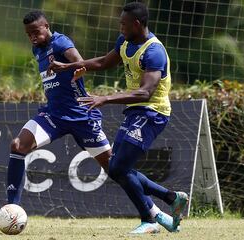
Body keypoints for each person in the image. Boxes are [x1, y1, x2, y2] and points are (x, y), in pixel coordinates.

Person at [49, 2, 189, 234]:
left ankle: (151, 220)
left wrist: (105, 99)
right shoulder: (125, 41)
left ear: (137, 24)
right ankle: (171, 198)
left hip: (153, 112)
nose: (120, 27)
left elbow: (145, 92)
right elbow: (104, 62)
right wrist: (70, 66)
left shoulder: (154, 51)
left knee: (119, 168)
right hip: (135, 111)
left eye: (123, 23)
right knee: (115, 168)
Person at [0, 10, 113, 225]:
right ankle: (11, 211)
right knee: (18, 145)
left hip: (80, 115)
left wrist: (76, 70)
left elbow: (81, 63)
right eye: (28, 34)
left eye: (36, 31)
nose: (33, 37)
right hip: (53, 114)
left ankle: (162, 203)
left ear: (46, 26)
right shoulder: (37, 48)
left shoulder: (61, 42)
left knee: (114, 168)